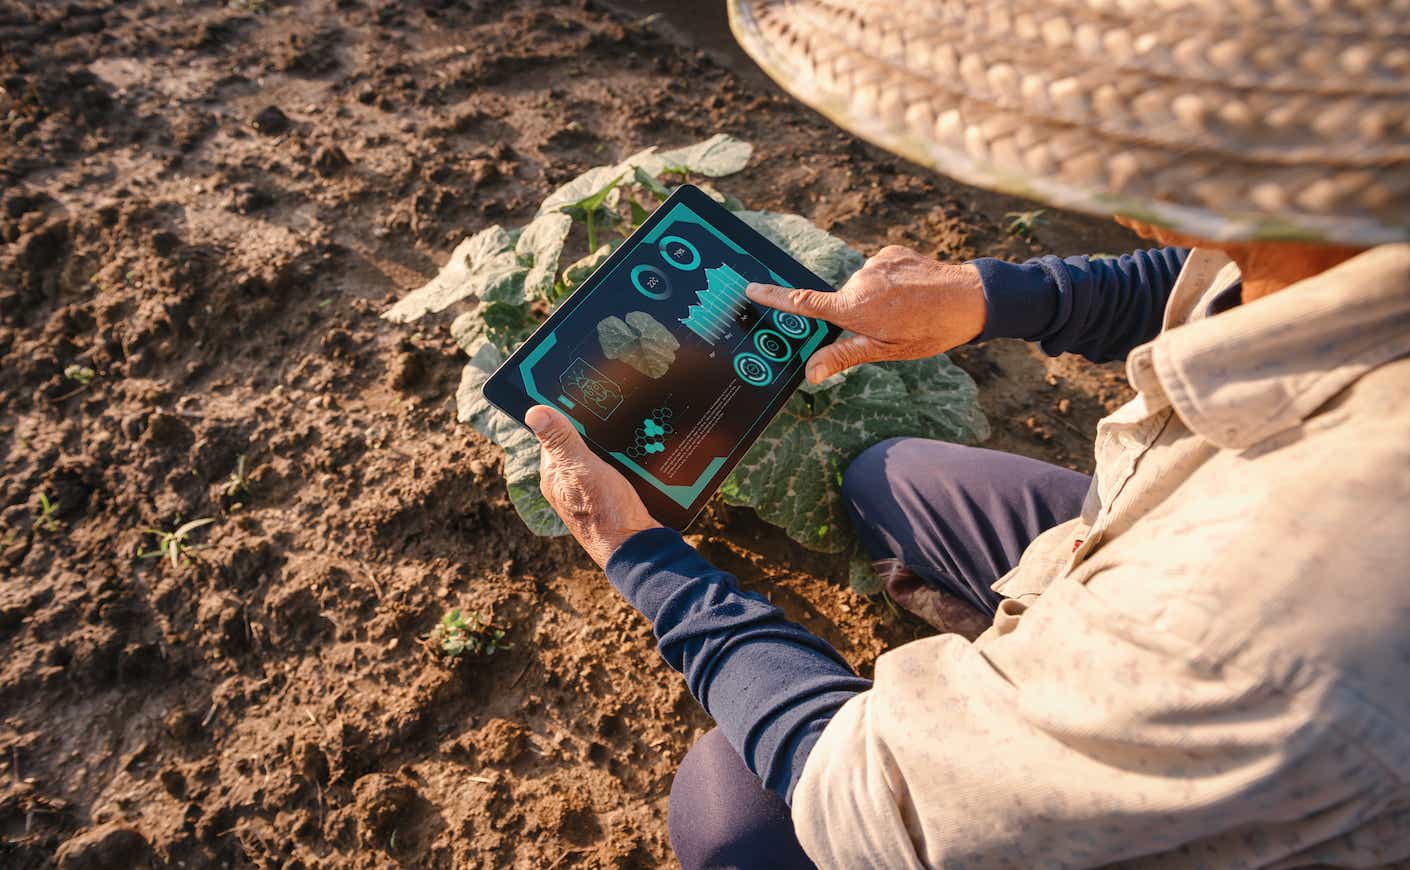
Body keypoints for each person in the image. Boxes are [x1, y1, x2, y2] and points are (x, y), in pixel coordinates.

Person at [524, 0, 1410, 866]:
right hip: (1164, 561)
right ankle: (1016, 662)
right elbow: (1216, 270)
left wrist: (634, 550)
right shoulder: (1351, 235)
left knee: (732, 811)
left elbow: (870, 801)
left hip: (1248, 694)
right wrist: (989, 297)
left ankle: (1027, 715)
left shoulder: (1234, 625)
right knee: (888, 480)